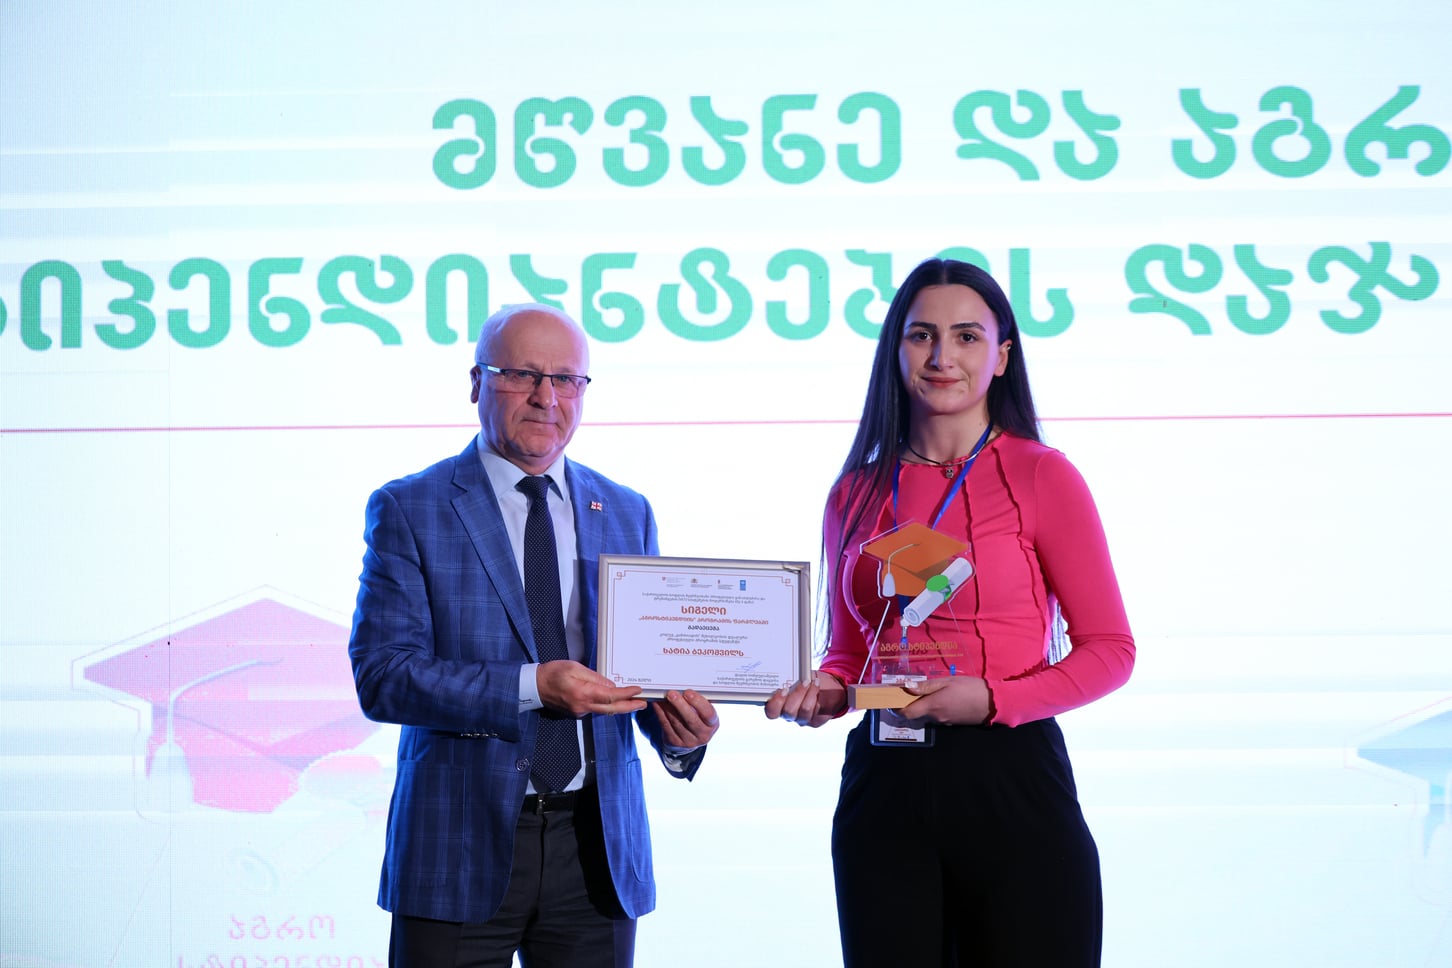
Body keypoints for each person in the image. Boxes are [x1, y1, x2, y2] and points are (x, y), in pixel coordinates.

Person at [765, 258, 1135, 967]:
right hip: (884, 779)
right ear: (895, 350)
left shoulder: (1042, 474)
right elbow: (852, 654)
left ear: (1002, 356)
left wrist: (994, 699)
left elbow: (1111, 650)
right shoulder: (855, 491)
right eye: (921, 335)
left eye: (967, 336)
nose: (942, 357)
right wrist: (827, 689)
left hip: (1010, 772)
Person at [349, 304, 720, 968]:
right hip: (456, 847)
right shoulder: (411, 508)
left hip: (596, 850)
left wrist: (679, 736)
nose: (547, 397)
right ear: (477, 382)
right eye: (523, 375)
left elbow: (642, 671)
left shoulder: (626, 511)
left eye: (567, 379)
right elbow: (384, 677)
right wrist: (533, 686)